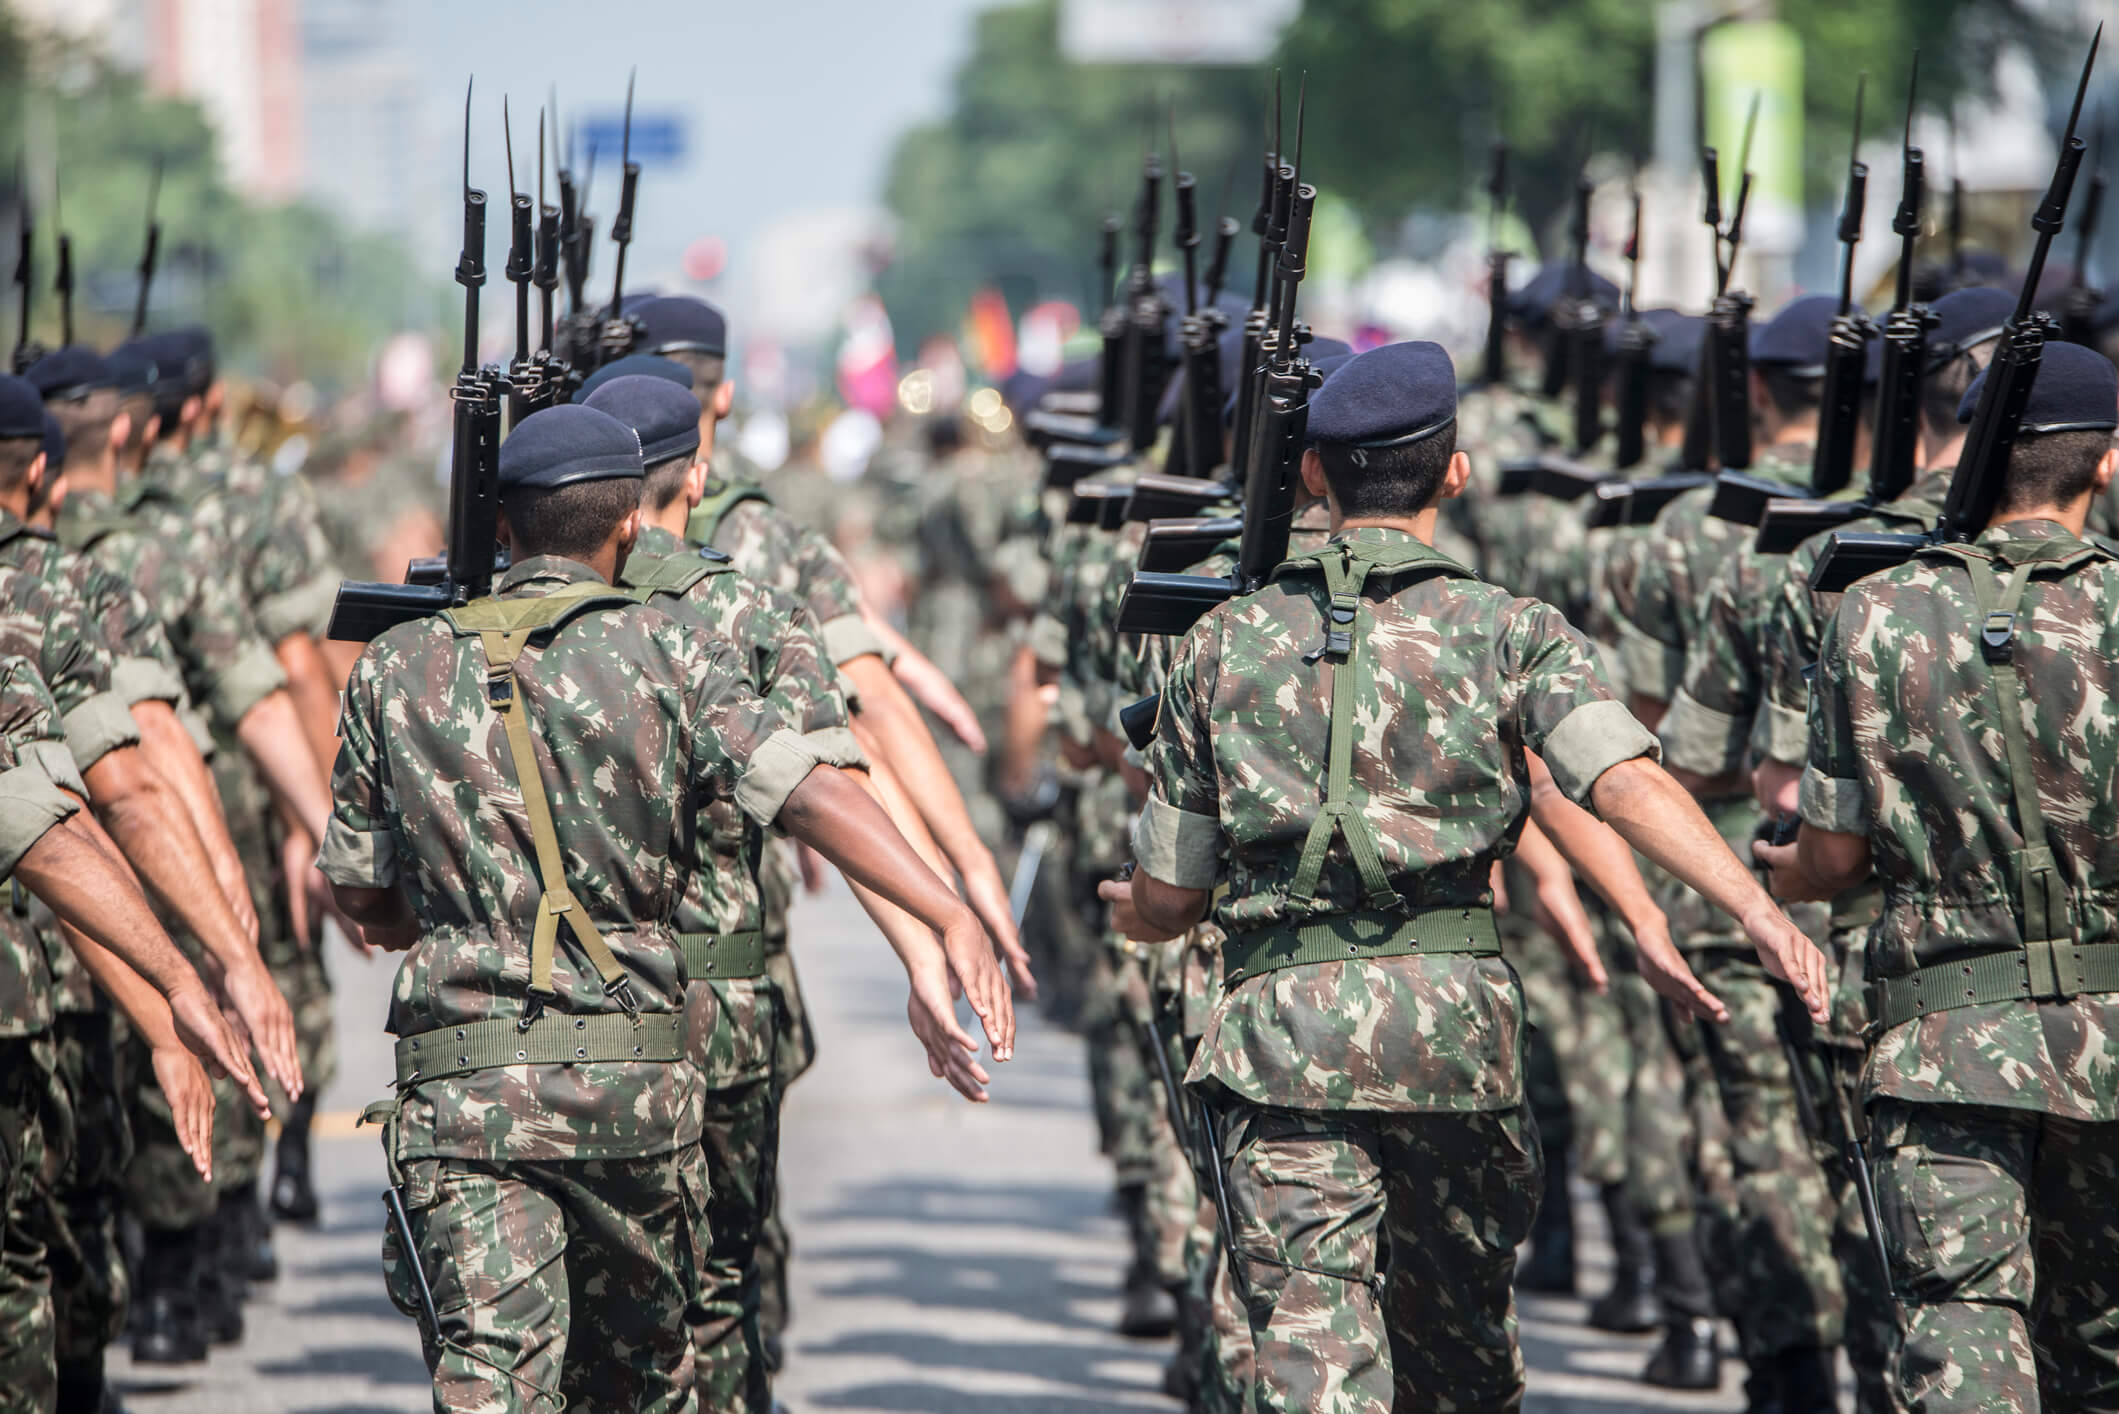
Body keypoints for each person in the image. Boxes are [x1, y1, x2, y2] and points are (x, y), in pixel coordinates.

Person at [1110, 340, 1828, 1413]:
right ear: (1455, 472)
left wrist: (1138, 914)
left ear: (1312, 475)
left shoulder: (1218, 644)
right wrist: (1753, 911)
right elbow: (1619, 780)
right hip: (1454, 1043)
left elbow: (1172, 895)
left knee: (1313, 1346)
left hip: (1280, 1039)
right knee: (1459, 1352)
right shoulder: (1509, 630)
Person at [320, 402, 1009, 1412]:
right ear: (630, 526)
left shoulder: (395, 666)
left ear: (497, 528)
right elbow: (809, 788)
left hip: (463, 1090)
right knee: (641, 1382)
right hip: (632, 1093)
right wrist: (944, 909)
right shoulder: (675, 650)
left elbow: (359, 891)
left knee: (490, 1379)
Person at [1761, 340, 2119, 1414]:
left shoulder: (1873, 612)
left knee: (1962, 1335)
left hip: (1942, 1043)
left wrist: (1774, 877)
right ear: (2101, 465)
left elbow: (1831, 859)